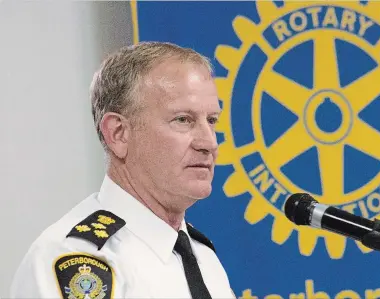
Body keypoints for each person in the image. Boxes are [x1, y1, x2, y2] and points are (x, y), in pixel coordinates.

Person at [10, 41, 236, 299]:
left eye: (211, 121)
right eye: (183, 120)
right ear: (118, 134)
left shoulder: (203, 257)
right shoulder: (77, 259)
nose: (209, 143)